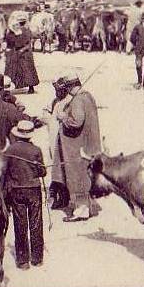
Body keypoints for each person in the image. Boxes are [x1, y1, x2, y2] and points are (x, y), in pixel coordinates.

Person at [49, 73, 102, 222]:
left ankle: (81, 211)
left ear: (71, 87)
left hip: (77, 146)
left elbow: (77, 121)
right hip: (89, 145)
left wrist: (63, 117)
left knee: (78, 177)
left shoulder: (78, 100)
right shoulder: (88, 96)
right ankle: (86, 207)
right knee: (85, 176)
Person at [5, 120, 47, 269]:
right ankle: (37, 259)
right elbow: (43, 172)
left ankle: (23, 261)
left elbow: (5, 172)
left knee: (20, 224)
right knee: (35, 223)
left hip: (17, 190)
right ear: (29, 135)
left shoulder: (9, 150)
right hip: (33, 190)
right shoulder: (36, 150)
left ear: (17, 134)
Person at [5, 16, 39, 93]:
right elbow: (29, 42)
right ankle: (31, 87)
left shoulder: (15, 31)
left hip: (20, 52)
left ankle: (10, 86)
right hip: (26, 53)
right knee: (28, 70)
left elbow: (10, 41)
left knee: (14, 69)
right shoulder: (27, 31)